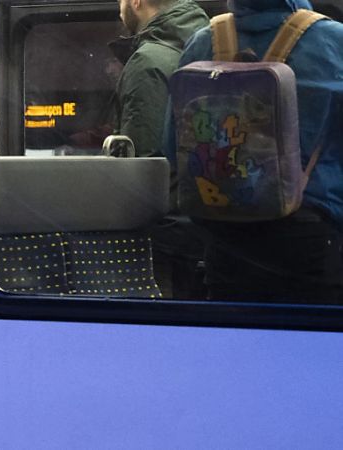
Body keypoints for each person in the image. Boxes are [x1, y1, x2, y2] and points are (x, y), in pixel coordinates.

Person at [165, 0, 343, 302]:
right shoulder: (333, 42)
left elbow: (172, 146)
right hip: (311, 237)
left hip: (224, 237)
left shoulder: (203, 42)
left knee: (236, 340)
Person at [113, 0, 209, 158]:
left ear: (136, 2)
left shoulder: (147, 64)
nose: (120, 9)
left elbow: (143, 165)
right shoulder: (208, 45)